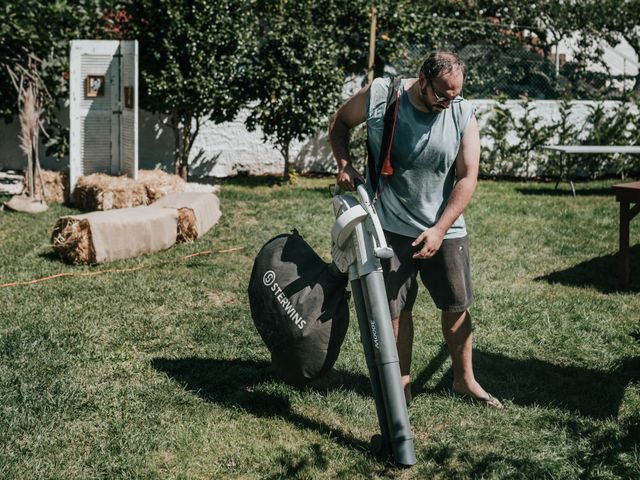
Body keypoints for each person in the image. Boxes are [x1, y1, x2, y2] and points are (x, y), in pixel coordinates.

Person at [328, 51, 502, 409]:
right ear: (422, 79)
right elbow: (340, 122)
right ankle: (402, 382)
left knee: (457, 307)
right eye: (441, 94)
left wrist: (440, 229)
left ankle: (464, 380)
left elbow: (467, 177)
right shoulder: (380, 95)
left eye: (455, 95)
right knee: (395, 310)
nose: (448, 102)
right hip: (389, 227)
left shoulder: (461, 112)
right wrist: (344, 163)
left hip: (445, 229)